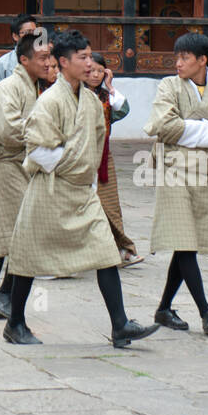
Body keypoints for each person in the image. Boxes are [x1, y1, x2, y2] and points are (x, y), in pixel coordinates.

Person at [6, 30, 160, 349]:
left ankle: (120, 325)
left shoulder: (90, 100)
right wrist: (72, 162)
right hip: (50, 189)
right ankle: (15, 323)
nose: (90, 63)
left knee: (105, 251)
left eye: (90, 56)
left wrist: (86, 174)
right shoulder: (49, 101)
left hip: (82, 191)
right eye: (83, 57)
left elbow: (96, 142)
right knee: (28, 256)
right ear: (63, 62)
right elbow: (36, 151)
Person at [144, 32, 208, 336]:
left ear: (203, 59)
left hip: (205, 174)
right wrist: (206, 131)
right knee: (185, 241)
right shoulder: (168, 86)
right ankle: (206, 312)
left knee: (187, 242)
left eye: (185, 57)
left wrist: (187, 131)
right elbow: (163, 126)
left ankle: (163, 309)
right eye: (176, 57)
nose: (178, 63)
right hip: (172, 170)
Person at [0, 33, 54, 320]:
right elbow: (9, 130)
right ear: (24, 59)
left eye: (50, 57)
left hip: (23, 164)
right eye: (42, 58)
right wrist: (45, 132)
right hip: (6, 164)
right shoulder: (10, 86)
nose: (48, 63)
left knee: (4, 233)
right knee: (21, 233)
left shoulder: (33, 86)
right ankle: (4, 293)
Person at [86, 52, 142, 267]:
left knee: (109, 205)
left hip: (103, 157)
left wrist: (110, 86)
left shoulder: (105, 97)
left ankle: (123, 248)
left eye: (100, 71)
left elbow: (123, 110)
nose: (95, 75)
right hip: (82, 155)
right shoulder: (77, 94)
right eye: (91, 70)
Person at [0, 14, 39, 94]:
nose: (32, 37)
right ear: (15, 36)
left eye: (35, 32)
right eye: (28, 32)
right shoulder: (2, 64)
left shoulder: (42, 62)